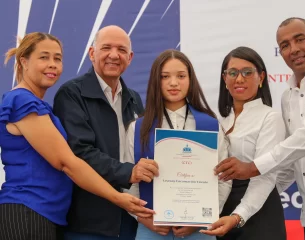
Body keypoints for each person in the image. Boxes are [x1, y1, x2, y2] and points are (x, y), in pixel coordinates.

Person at [210, 18, 305, 240]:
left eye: (300, 40)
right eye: (285, 45)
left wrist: (253, 169)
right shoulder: (288, 97)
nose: (294, 49)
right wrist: (264, 199)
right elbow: (292, 162)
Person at [0, 32, 154, 240]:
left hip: (45, 213)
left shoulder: (38, 105)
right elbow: (67, 162)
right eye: (44, 57)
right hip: (28, 209)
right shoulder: (23, 101)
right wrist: (117, 197)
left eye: (58, 58)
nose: (52, 64)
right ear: (24, 61)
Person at [52, 25, 158, 239]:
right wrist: (129, 172)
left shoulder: (134, 99)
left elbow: (141, 149)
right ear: (92, 53)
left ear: (130, 57)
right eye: (106, 48)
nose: (114, 55)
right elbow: (79, 152)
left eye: (121, 50)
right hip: (88, 222)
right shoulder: (71, 94)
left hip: (131, 218)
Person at [124, 49, 232, 240]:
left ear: (191, 79)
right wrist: (142, 217)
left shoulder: (210, 125)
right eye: (165, 77)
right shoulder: (138, 127)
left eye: (181, 76)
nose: (173, 83)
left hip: (200, 230)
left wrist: (203, 218)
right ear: (156, 81)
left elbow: (224, 177)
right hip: (152, 228)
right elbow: (126, 177)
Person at [200, 47, 286, 240]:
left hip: (259, 215)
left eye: (247, 72)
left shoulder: (270, 118)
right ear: (224, 78)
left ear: (261, 77)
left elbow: (265, 177)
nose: (239, 79)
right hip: (224, 213)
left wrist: (239, 215)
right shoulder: (220, 123)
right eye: (232, 73)